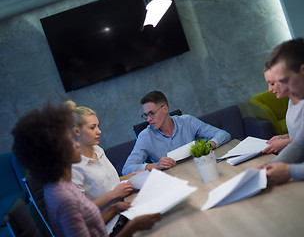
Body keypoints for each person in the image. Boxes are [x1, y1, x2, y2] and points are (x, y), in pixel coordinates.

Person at [11, 103, 161, 236]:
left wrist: (114, 208)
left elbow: (90, 223)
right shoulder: (64, 200)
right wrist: (135, 226)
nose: (76, 145)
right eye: (69, 142)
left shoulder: (63, 185)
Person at [65, 100, 140, 236]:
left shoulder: (97, 149)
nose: (99, 131)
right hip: (109, 226)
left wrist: (131, 176)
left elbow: (107, 181)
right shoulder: (72, 168)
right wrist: (115, 193)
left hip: (125, 210)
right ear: (77, 131)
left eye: (98, 126)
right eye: (93, 127)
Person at [257, 38, 304, 184]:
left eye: (285, 81)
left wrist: (288, 171)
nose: (283, 89)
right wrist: (269, 167)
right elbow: (301, 144)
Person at [122, 91, 231, 175]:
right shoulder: (145, 137)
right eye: (146, 115)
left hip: (198, 171)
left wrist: (208, 146)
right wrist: (155, 165)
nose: (148, 119)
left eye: (151, 113)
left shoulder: (187, 121)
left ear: (165, 109)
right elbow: (127, 169)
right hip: (173, 182)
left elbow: (224, 134)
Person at [261, 68, 304, 162]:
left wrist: (288, 143)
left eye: (272, 84)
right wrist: (286, 137)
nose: (269, 89)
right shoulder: (292, 100)